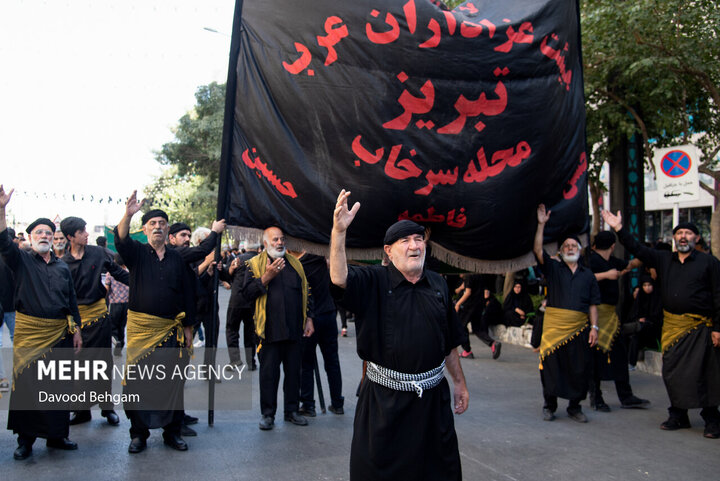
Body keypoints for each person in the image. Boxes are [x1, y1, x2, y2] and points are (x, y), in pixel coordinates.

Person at [329, 190, 469, 481]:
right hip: (384, 404)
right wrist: (339, 232)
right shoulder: (374, 281)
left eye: (418, 239)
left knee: (439, 471)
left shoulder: (439, 285)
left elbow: (450, 342)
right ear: (388, 252)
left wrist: (459, 383)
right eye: (404, 241)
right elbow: (339, 278)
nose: (414, 245)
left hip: (433, 403)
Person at [602, 210, 720, 438]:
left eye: (688, 233)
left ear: (696, 238)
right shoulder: (663, 259)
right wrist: (618, 228)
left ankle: (712, 419)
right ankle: (679, 414)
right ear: (674, 239)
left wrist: (717, 327)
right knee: (673, 372)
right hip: (673, 328)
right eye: (679, 233)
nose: (683, 237)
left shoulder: (709, 262)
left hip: (701, 327)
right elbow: (638, 249)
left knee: (706, 374)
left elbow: (718, 295)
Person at [0, 184, 83, 460]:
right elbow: (2, 242)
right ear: (31, 237)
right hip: (30, 335)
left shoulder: (61, 266)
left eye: (49, 233)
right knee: (28, 386)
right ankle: (26, 441)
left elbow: (71, 299)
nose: (45, 236)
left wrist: (77, 329)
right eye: (40, 233)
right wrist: (1, 209)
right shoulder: (21, 260)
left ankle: (57, 437)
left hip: (59, 334)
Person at [114, 192, 196, 453]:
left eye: (162, 223)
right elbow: (121, 238)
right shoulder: (136, 254)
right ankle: (139, 434)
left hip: (172, 333)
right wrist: (128, 214)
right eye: (152, 223)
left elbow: (187, 295)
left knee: (171, 383)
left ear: (168, 229)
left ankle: (172, 432)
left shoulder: (177, 259)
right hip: (141, 334)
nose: (158, 227)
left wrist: (188, 329)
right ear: (144, 229)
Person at [241, 226, 315, 431]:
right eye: (275, 240)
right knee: (269, 375)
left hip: (294, 330)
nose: (280, 243)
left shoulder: (296, 265)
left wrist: (309, 318)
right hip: (268, 332)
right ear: (265, 244)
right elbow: (245, 294)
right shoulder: (253, 265)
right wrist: (267, 277)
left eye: (282, 239)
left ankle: (291, 411)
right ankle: (268, 414)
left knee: (293, 374)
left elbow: (307, 293)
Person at [533, 204, 599, 423]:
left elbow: (592, 304)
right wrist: (541, 225)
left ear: (579, 250)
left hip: (579, 329)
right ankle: (549, 405)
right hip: (554, 330)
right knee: (551, 367)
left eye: (574, 245)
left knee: (578, 369)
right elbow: (537, 250)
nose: (570, 248)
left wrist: (595, 328)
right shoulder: (553, 268)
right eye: (567, 246)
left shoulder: (588, 275)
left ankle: (574, 407)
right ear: (560, 251)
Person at [60, 216, 128, 426]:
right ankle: (81, 411)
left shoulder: (98, 254)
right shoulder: (62, 264)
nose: (87, 234)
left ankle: (107, 409)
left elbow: (118, 273)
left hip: (99, 320)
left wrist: (141, 282)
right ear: (71, 236)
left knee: (102, 366)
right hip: (75, 324)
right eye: (82, 231)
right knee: (78, 370)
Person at [587, 230, 649, 411]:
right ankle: (596, 397)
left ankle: (626, 395)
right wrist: (606, 275)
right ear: (613, 246)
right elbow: (582, 277)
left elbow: (629, 265)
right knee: (596, 357)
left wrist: (642, 255)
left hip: (611, 317)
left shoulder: (612, 261)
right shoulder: (590, 260)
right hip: (594, 315)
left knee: (620, 355)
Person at [295, 251, 344, 417]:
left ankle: (308, 405)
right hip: (328, 313)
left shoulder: (296, 265)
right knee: (332, 361)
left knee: (306, 363)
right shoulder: (320, 257)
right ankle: (337, 403)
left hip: (310, 317)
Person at [225, 250, 259, 370]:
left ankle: (235, 359)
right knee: (250, 332)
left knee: (232, 329)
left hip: (236, 299)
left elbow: (228, 275)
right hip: (251, 301)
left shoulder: (238, 259)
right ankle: (251, 362)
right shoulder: (259, 259)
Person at [456, 274, 501, 360]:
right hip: (479, 305)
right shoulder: (480, 275)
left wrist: (458, 304)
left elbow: (468, 292)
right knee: (477, 328)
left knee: (461, 326)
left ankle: (467, 351)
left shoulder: (469, 277)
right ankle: (493, 344)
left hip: (469, 306)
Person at [0, 227, 16, 393]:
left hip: (6, 306)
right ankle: (20, 376)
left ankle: (2, 378)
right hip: (13, 306)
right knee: (19, 342)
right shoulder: (15, 259)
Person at [105, 254, 129, 357]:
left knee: (113, 326)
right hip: (127, 304)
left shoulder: (110, 274)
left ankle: (115, 340)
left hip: (114, 303)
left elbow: (106, 289)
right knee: (122, 326)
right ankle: (121, 344)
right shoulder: (129, 272)